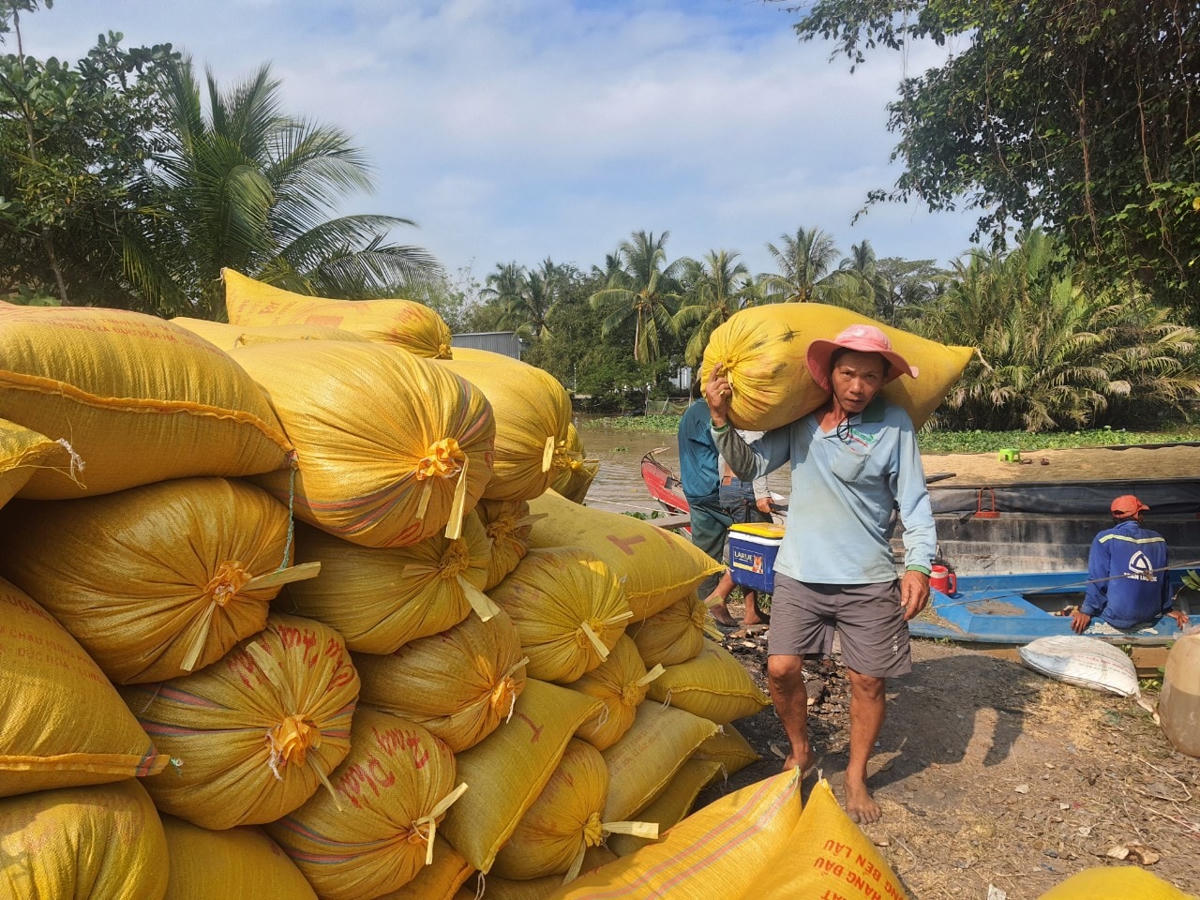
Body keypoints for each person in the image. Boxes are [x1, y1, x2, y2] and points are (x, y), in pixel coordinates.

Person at [705, 323, 935, 824]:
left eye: (870, 377)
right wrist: (720, 418)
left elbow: (914, 502)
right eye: (848, 373)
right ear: (829, 373)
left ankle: (855, 773)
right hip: (799, 573)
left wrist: (919, 565)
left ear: (883, 381)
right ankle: (801, 749)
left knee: (867, 681)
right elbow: (750, 465)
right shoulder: (801, 421)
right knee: (780, 668)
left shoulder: (894, 425)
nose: (857, 386)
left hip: (868, 576)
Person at [676, 381, 769, 628]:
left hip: (694, 490)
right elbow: (732, 450)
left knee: (706, 554)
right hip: (715, 489)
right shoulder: (712, 413)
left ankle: (706, 612)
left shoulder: (690, 413)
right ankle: (721, 602)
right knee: (751, 543)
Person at [1071, 495, 1189, 634]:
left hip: (1117, 617)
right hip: (1150, 614)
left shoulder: (1105, 539)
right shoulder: (1158, 540)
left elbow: (1098, 579)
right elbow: (1164, 579)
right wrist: (1167, 609)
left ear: (1114, 516)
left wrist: (1087, 611)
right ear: (1138, 515)